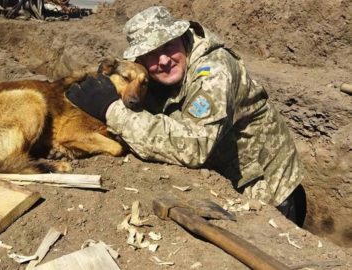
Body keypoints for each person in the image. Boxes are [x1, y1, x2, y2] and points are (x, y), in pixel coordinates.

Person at [66, 6, 306, 226]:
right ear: (139, 60)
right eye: (151, 54)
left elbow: (195, 146)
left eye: (168, 46)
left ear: (182, 38)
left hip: (265, 186)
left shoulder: (214, 70)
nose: (163, 60)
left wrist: (111, 110)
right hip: (227, 170)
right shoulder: (156, 73)